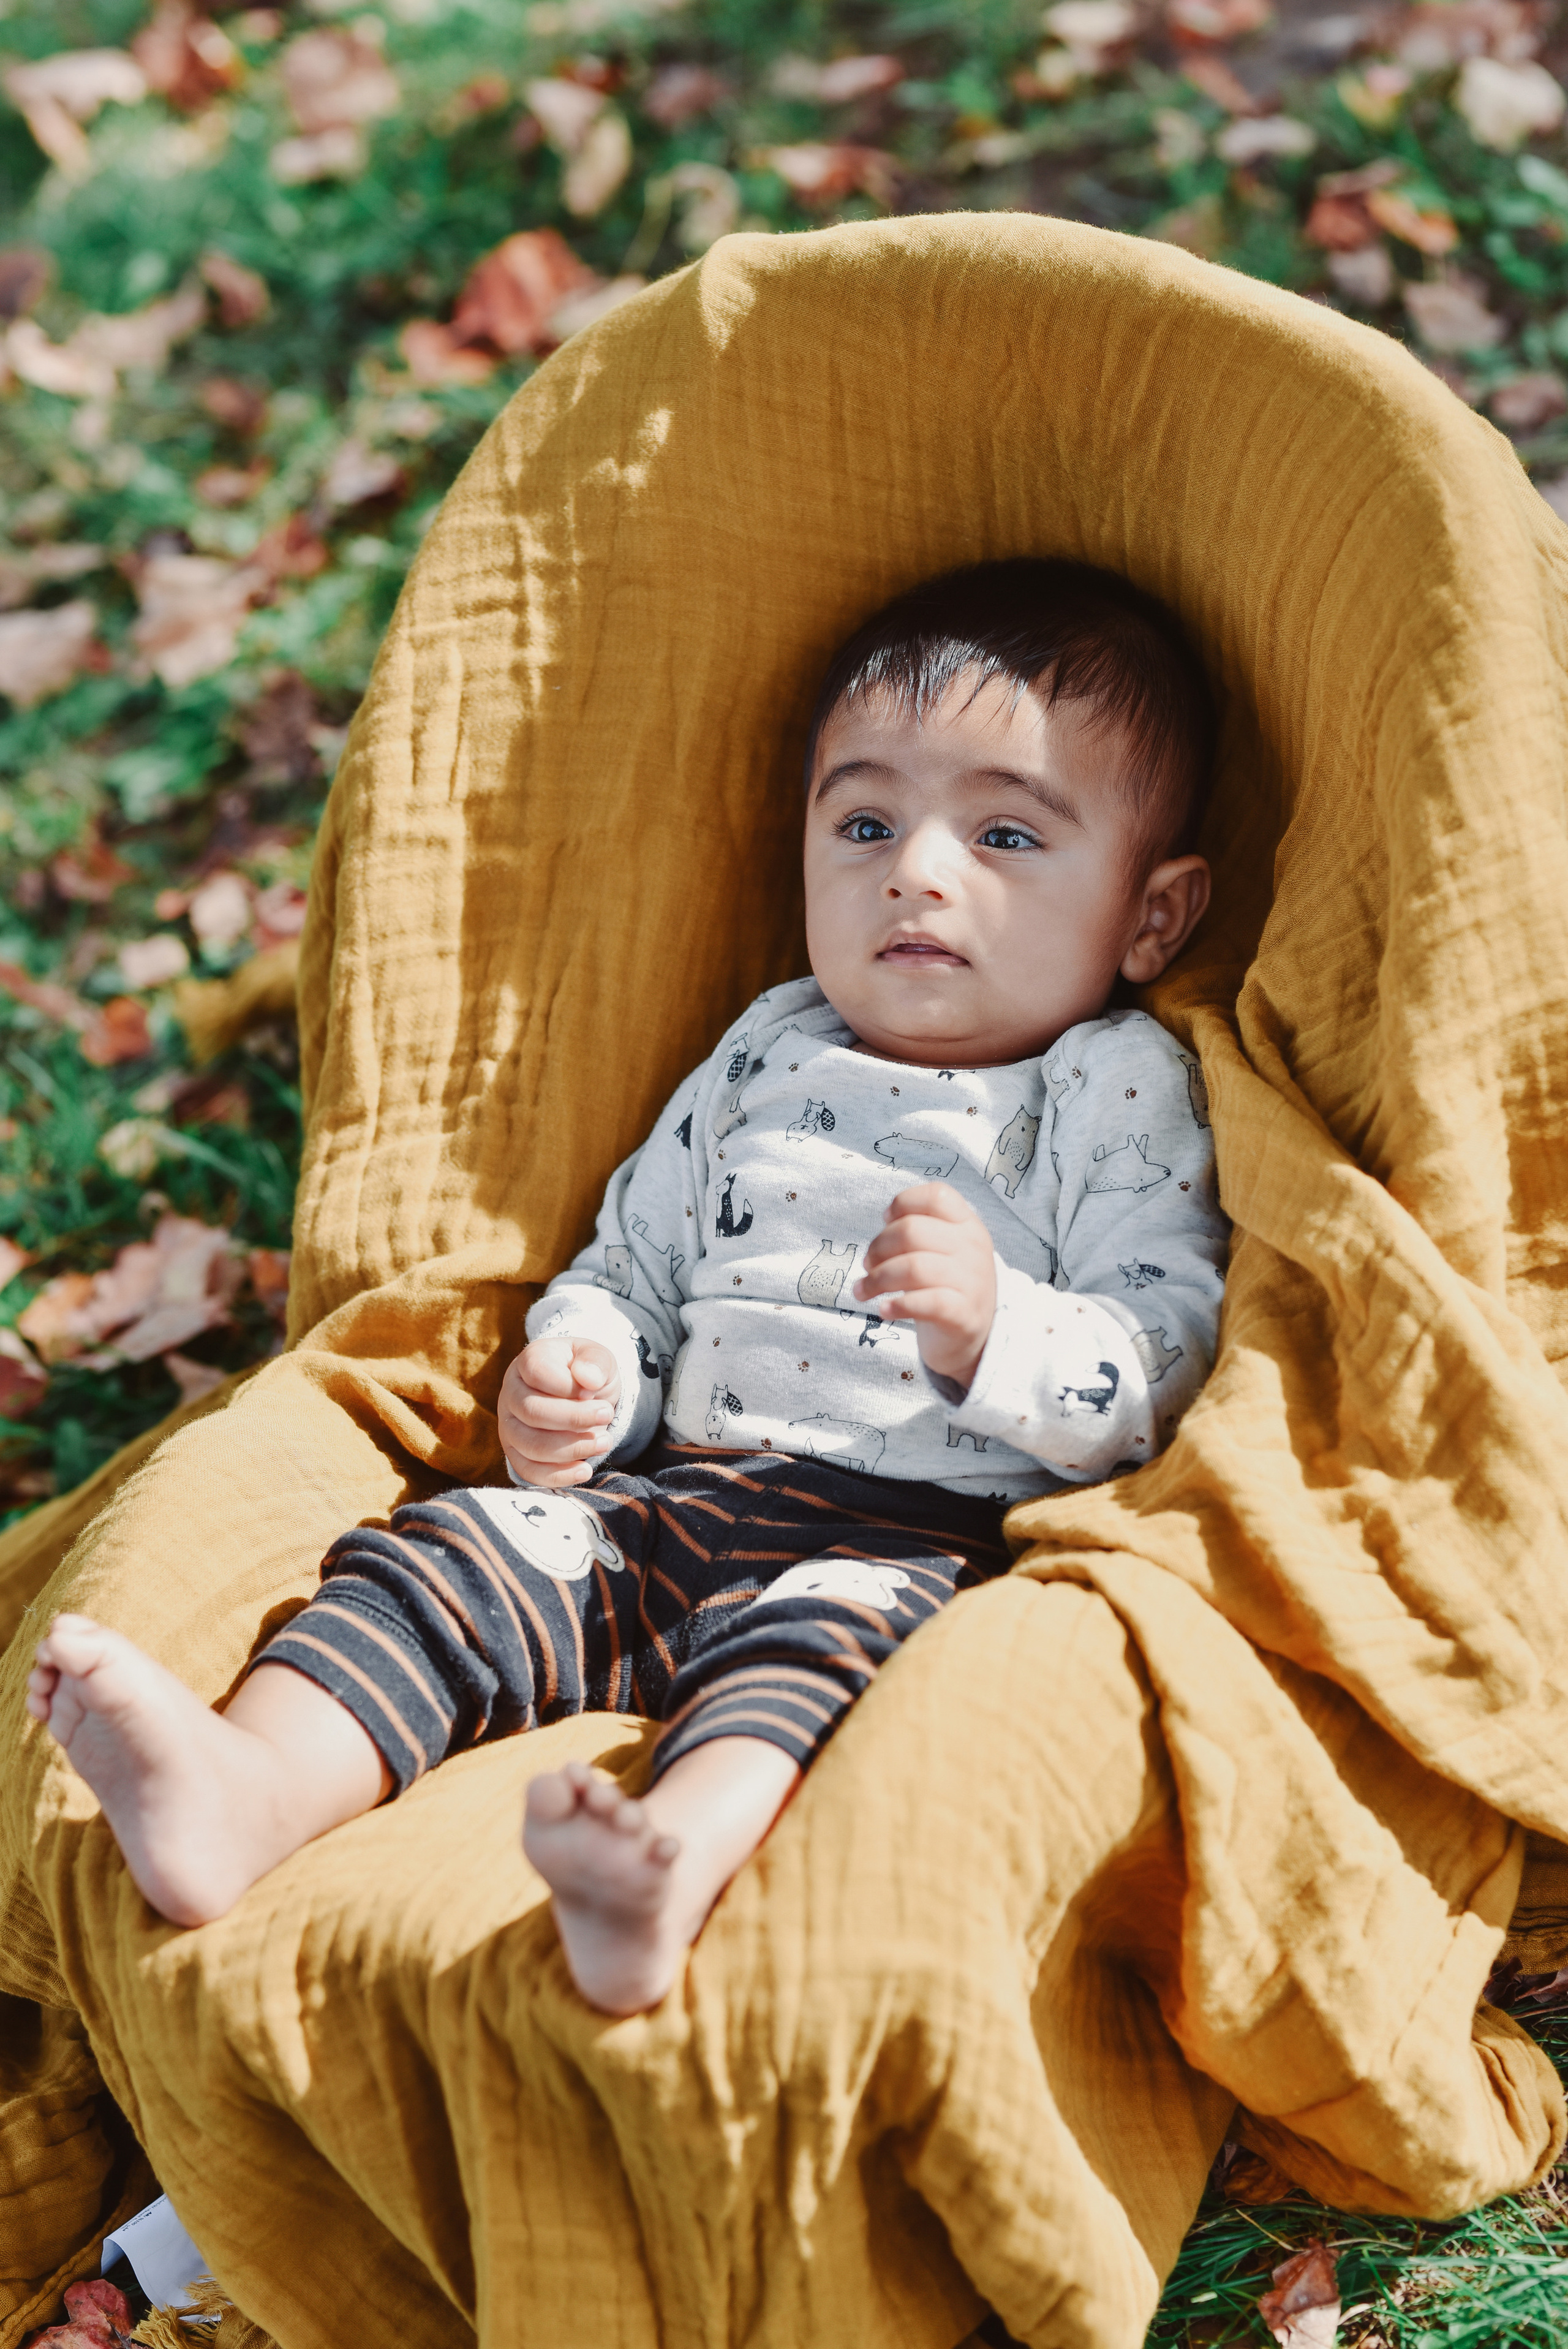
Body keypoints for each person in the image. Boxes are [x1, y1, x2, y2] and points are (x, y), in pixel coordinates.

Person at [28, 559, 1229, 2015]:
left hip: (905, 1538)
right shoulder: (767, 1046)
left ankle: (666, 1864)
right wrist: (584, 1375)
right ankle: (250, 1787)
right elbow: (638, 1262)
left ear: (1150, 917)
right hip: (660, 1505)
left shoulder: (1111, 1086)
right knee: (445, 1557)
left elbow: (1163, 1354)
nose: (914, 870)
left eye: (1004, 834)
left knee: (833, 1666)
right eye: (862, 824)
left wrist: (1001, 1332)